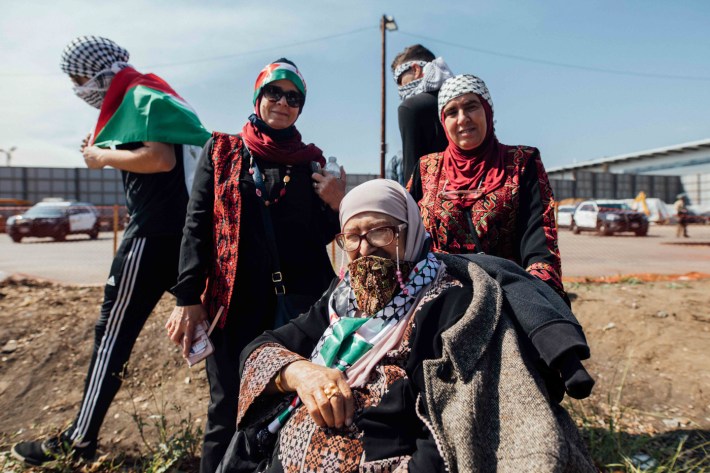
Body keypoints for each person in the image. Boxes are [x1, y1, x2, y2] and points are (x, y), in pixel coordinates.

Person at [217, 179, 595, 472]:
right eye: (351, 237)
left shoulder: (447, 304)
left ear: (409, 231)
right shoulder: (342, 298)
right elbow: (262, 346)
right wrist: (302, 373)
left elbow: (451, 431)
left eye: (380, 232)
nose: (364, 249)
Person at [11, 36, 211, 466]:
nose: (78, 88)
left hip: (150, 239)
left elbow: (159, 160)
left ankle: (79, 440)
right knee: (215, 338)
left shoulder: (138, 96)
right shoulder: (158, 93)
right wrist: (112, 145)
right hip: (187, 241)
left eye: (78, 78)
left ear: (99, 72)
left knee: (111, 338)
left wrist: (101, 156)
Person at [165, 58, 346, 472]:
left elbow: (328, 235)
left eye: (294, 97)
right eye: (274, 92)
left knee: (289, 403)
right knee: (227, 405)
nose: (283, 102)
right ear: (257, 95)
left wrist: (338, 201)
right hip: (234, 303)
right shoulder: (222, 150)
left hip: (298, 306)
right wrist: (187, 296)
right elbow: (197, 224)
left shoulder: (312, 163)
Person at [409, 74, 567, 302]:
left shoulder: (522, 162)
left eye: (471, 107)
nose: (462, 119)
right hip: (440, 298)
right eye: (452, 112)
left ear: (487, 111)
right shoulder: (426, 168)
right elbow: (406, 234)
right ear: (443, 121)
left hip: (507, 294)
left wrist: (535, 296)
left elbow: (540, 238)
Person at [391, 44, 453, 184]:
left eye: (399, 80)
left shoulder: (411, 107)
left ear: (416, 69)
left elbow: (413, 176)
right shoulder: (464, 101)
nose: (400, 87)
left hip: (433, 198)